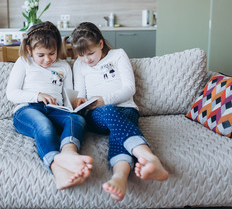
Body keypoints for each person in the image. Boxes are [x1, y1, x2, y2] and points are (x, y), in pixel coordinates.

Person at [68, 22, 168, 201]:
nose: (87, 60)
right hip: (97, 116)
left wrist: (104, 100)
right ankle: (148, 156)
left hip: (126, 109)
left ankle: (119, 177)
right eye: (81, 55)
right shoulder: (79, 65)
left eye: (90, 53)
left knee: (119, 130)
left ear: (100, 43)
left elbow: (129, 88)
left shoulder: (118, 55)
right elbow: (80, 94)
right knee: (110, 111)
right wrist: (80, 100)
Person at [6, 21, 93, 190]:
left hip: (56, 110)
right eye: (41, 55)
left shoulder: (64, 66)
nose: (47, 59)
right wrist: (37, 96)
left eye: (52, 53)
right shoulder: (24, 63)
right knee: (44, 126)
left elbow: (68, 95)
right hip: (27, 109)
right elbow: (11, 93)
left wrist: (75, 104)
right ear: (30, 50)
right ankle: (55, 165)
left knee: (77, 120)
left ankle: (69, 152)